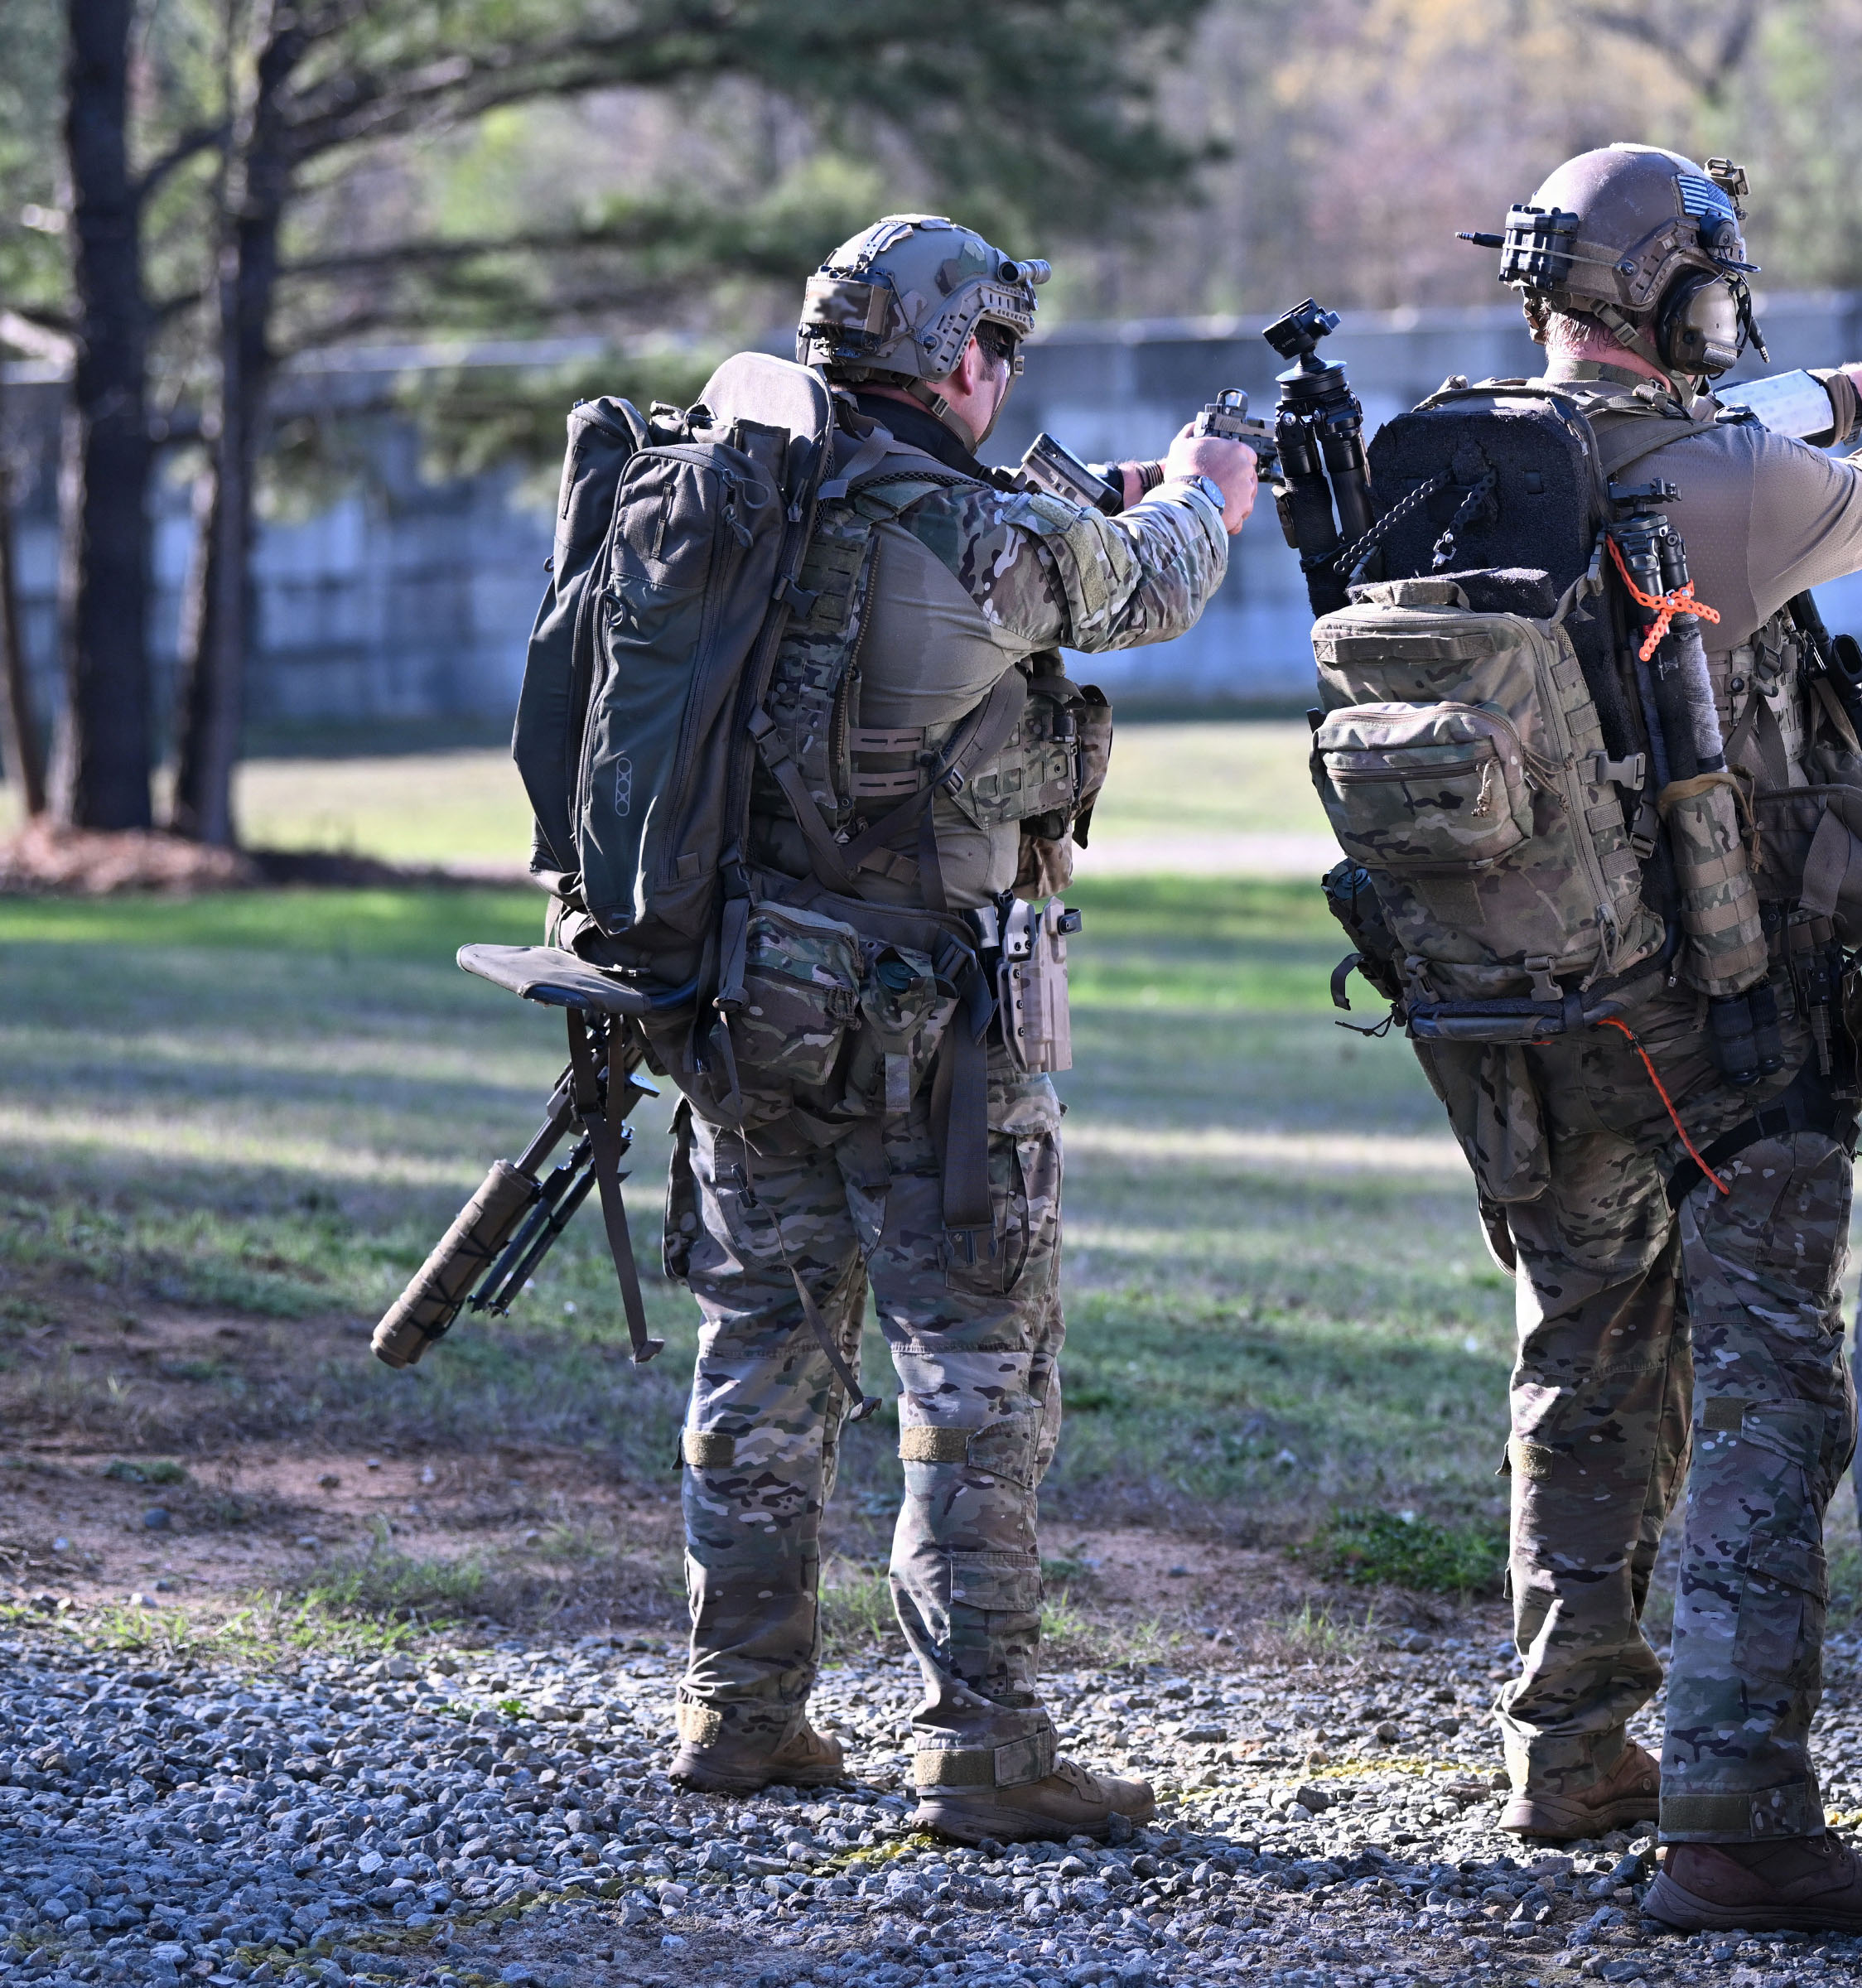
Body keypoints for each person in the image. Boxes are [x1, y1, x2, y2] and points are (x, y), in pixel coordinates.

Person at [663, 214, 1259, 1847]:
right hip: (932, 1036)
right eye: (997, 343)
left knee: (760, 1363)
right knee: (978, 1379)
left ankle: (738, 1712)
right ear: (955, 354)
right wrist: (1206, 489)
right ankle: (984, 1746)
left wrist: (1097, 499)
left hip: (748, 1004)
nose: (1006, 370)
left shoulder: (754, 494)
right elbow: (1149, 584)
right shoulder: (970, 528)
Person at [1450, 146, 1862, 1933]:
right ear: (1666, 292)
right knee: (1772, 1392)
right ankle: (1737, 1815)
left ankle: (1571, 1747)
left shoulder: (1467, 464)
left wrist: (1836, 389)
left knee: (1581, 1360)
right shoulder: (1725, 480)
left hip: (1524, 1013)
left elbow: (1730, 431)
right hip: (1714, 1022)